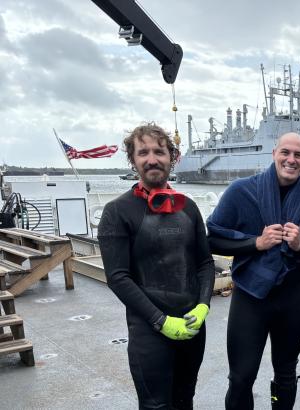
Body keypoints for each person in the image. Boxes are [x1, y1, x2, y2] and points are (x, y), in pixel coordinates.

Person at [206, 132, 300, 410]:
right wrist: (257, 243)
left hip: (292, 300)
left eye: (298, 155)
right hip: (250, 297)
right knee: (241, 377)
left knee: (286, 375)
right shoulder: (242, 191)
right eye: (285, 152)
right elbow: (212, 238)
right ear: (274, 154)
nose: (291, 159)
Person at [98, 123, 215, 409]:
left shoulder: (188, 206)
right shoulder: (117, 211)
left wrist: (202, 306)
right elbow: (118, 277)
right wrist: (160, 321)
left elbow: (205, 263)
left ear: (172, 157)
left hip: (191, 327)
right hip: (149, 331)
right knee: (156, 406)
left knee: (185, 399)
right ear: (133, 159)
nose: (152, 159)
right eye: (143, 152)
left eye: (159, 152)